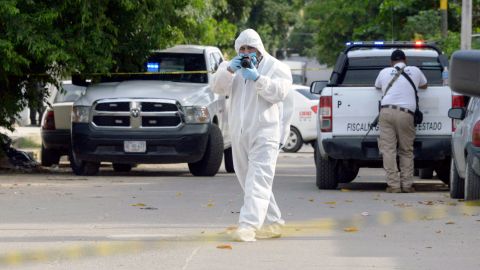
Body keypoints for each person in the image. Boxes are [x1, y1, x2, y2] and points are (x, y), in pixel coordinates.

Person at [211, 29, 293, 241]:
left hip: (265, 132)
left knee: (258, 179)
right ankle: (274, 223)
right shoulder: (231, 66)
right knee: (249, 180)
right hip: (239, 133)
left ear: (260, 48)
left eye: (251, 48)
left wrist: (258, 79)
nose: (247, 52)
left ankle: (248, 226)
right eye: (243, 48)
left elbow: (280, 93)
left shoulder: (276, 67)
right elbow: (216, 88)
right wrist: (229, 70)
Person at [374, 49, 428, 193]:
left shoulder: (384, 72)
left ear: (391, 62)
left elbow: (377, 86)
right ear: (406, 60)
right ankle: (407, 185)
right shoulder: (415, 70)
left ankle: (393, 186)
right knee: (406, 150)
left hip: (386, 112)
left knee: (389, 151)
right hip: (406, 114)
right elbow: (424, 85)